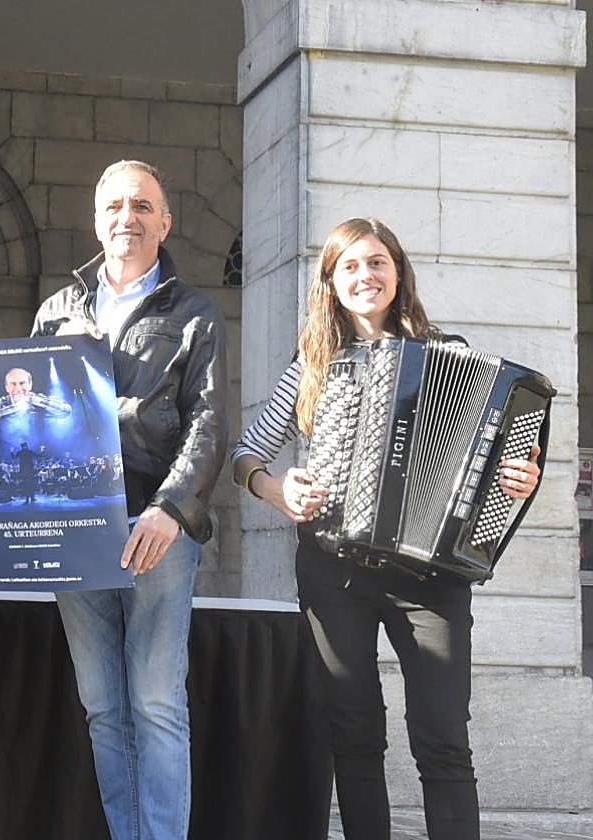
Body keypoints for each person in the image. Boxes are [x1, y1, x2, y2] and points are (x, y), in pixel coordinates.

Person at [231, 217, 541, 840]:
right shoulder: (310, 367)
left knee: (443, 735)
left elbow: (506, 455)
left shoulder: (450, 357)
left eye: (377, 263)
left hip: (431, 576)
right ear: (331, 283)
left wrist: (521, 477)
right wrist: (275, 486)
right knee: (354, 731)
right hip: (333, 570)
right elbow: (247, 455)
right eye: (350, 265)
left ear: (397, 274)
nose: (365, 276)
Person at [32, 160, 228, 840]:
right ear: (96, 220)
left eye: (143, 205)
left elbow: (208, 423)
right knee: (101, 707)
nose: (128, 217)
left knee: (154, 702)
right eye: (115, 205)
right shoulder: (57, 311)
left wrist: (171, 509)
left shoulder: (196, 313)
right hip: (74, 528)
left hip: (156, 527)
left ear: (165, 222)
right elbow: (22, 413)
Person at [0, 366, 71, 426]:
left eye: (22, 383)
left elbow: (66, 410)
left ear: (30, 384)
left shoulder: (38, 398)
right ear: (7, 387)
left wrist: (34, 401)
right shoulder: (2, 401)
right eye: (13, 384)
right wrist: (17, 407)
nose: (18, 389)